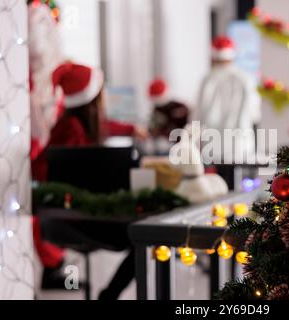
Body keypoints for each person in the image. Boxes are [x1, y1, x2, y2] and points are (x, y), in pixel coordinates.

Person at [31, 62, 146, 297]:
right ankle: (109, 295)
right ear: (92, 98)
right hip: (74, 217)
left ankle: (109, 295)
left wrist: (130, 130)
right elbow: (76, 178)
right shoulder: (72, 129)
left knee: (144, 235)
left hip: (72, 213)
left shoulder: (72, 124)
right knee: (145, 236)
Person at [197, 35, 261, 163]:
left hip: (212, 146)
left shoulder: (208, 80)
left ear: (213, 56)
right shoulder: (246, 79)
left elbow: (198, 115)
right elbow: (255, 114)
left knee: (216, 182)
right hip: (241, 145)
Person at [147, 79, 189, 154]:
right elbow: (153, 128)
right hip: (162, 145)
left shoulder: (181, 107)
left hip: (181, 145)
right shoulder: (157, 110)